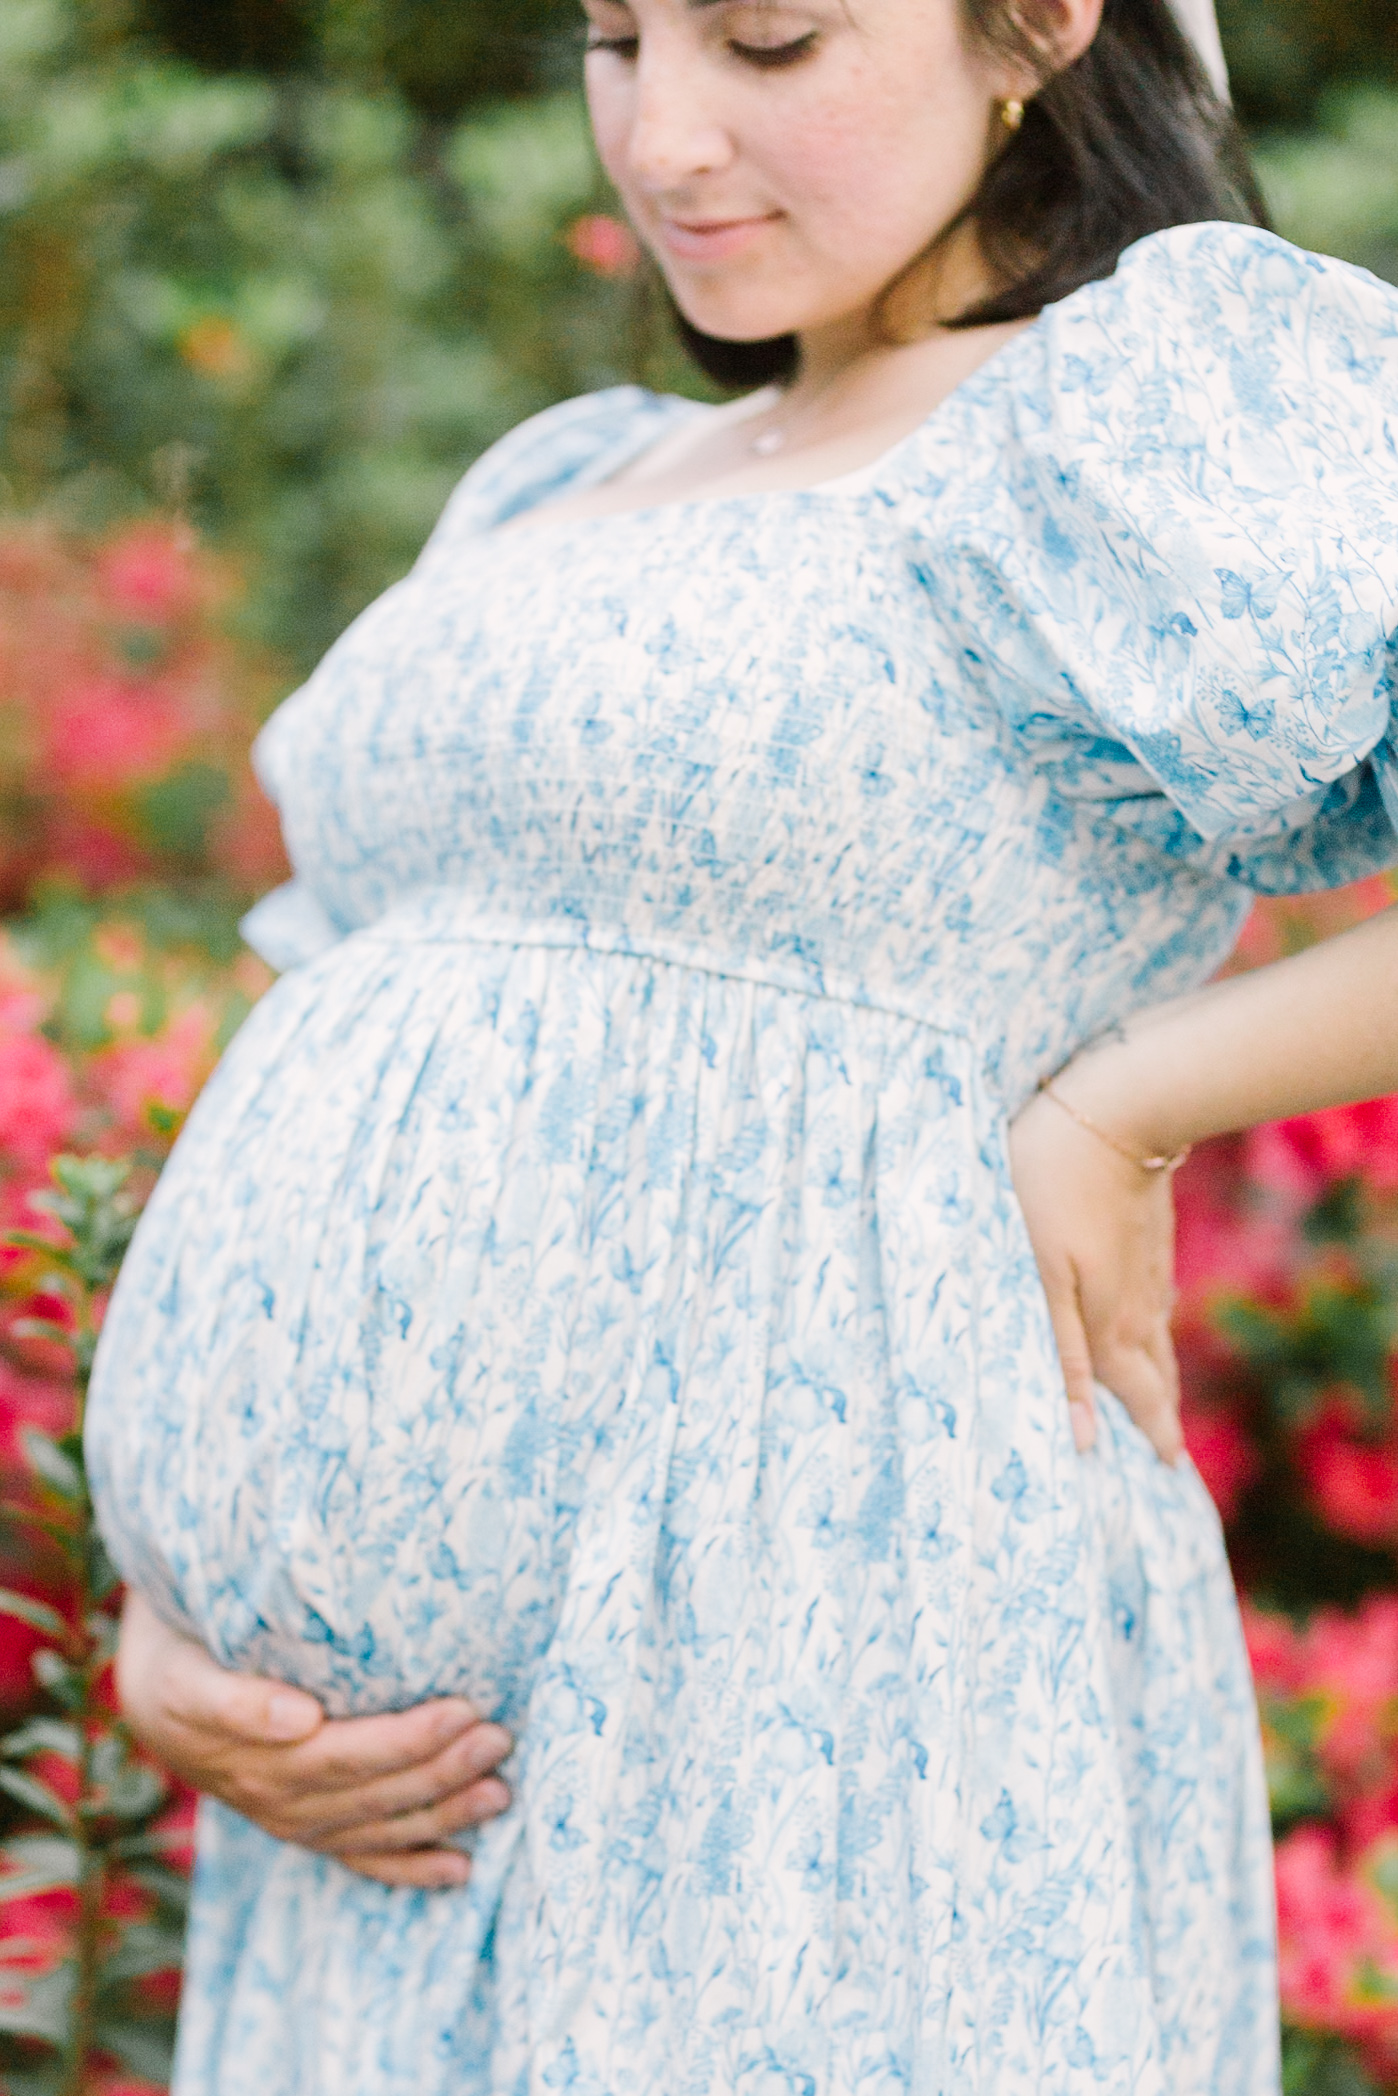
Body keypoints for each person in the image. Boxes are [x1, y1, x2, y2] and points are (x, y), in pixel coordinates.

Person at [83, 0, 1398, 2082]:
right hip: (374, 1834)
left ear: (1038, 28)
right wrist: (192, 1622)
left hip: (804, 1688)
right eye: (614, 40)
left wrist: (1131, 1103)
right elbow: (344, 1008)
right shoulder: (572, 473)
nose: (665, 134)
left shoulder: (1133, 415)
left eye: (768, 41)